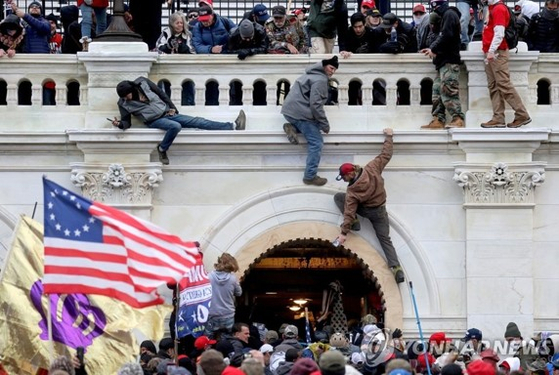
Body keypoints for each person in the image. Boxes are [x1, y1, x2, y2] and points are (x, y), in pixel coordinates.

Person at [112, 77, 246, 165]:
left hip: (168, 113)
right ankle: (162, 149)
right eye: (124, 97)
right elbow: (126, 122)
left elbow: (161, 94)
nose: (127, 98)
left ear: (132, 90)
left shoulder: (143, 83)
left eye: (127, 95)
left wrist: (173, 108)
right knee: (175, 126)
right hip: (154, 121)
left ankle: (232, 126)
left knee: (198, 121)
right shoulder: (123, 103)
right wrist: (120, 125)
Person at [333, 128, 405, 284]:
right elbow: (386, 154)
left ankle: (355, 224)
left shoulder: (352, 191)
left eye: (344, 177)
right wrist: (389, 136)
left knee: (339, 198)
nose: (344, 180)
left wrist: (344, 232)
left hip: (366, 210)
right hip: (380, 211)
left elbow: (349, 212)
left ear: (349, 174)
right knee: (385, 239)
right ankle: (396, 267)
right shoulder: (372, 168)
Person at [281, 56, 339, 186]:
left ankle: (293, 127)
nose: (332, 72)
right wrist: (325, 125)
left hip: (290, 112)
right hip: (300, 113)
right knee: (317, 142)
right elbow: (316, 105)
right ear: (324, 66)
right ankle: (310, 176)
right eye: (331, 68)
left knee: (312, 126)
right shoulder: (320, 80)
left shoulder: (310, 74)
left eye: (334, 69)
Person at [481, 0, 531, 128]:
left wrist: (491, 51)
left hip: (496, 52)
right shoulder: (493, 8)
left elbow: (499, 33)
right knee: (495, 85)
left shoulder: (498, 9)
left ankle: (521, 114)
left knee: (503, 84)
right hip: (492, 51)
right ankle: (498, 118)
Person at [420, 0, 465, 130]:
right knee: (437, 91)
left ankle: (457, 118)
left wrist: (433, 48)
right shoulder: (444, 16)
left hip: (449, 60)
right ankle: (438, 119)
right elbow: (443, 35)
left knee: (448, 90)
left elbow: (447, 35)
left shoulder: (449, 14)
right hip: (442, 61)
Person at [205, 253, 242, 337]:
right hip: (227, 314)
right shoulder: (233, 278)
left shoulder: (209, 277)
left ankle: (209, 350)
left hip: (212, 314)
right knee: (227, 340)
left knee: (208, 340)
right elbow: (239, 293)